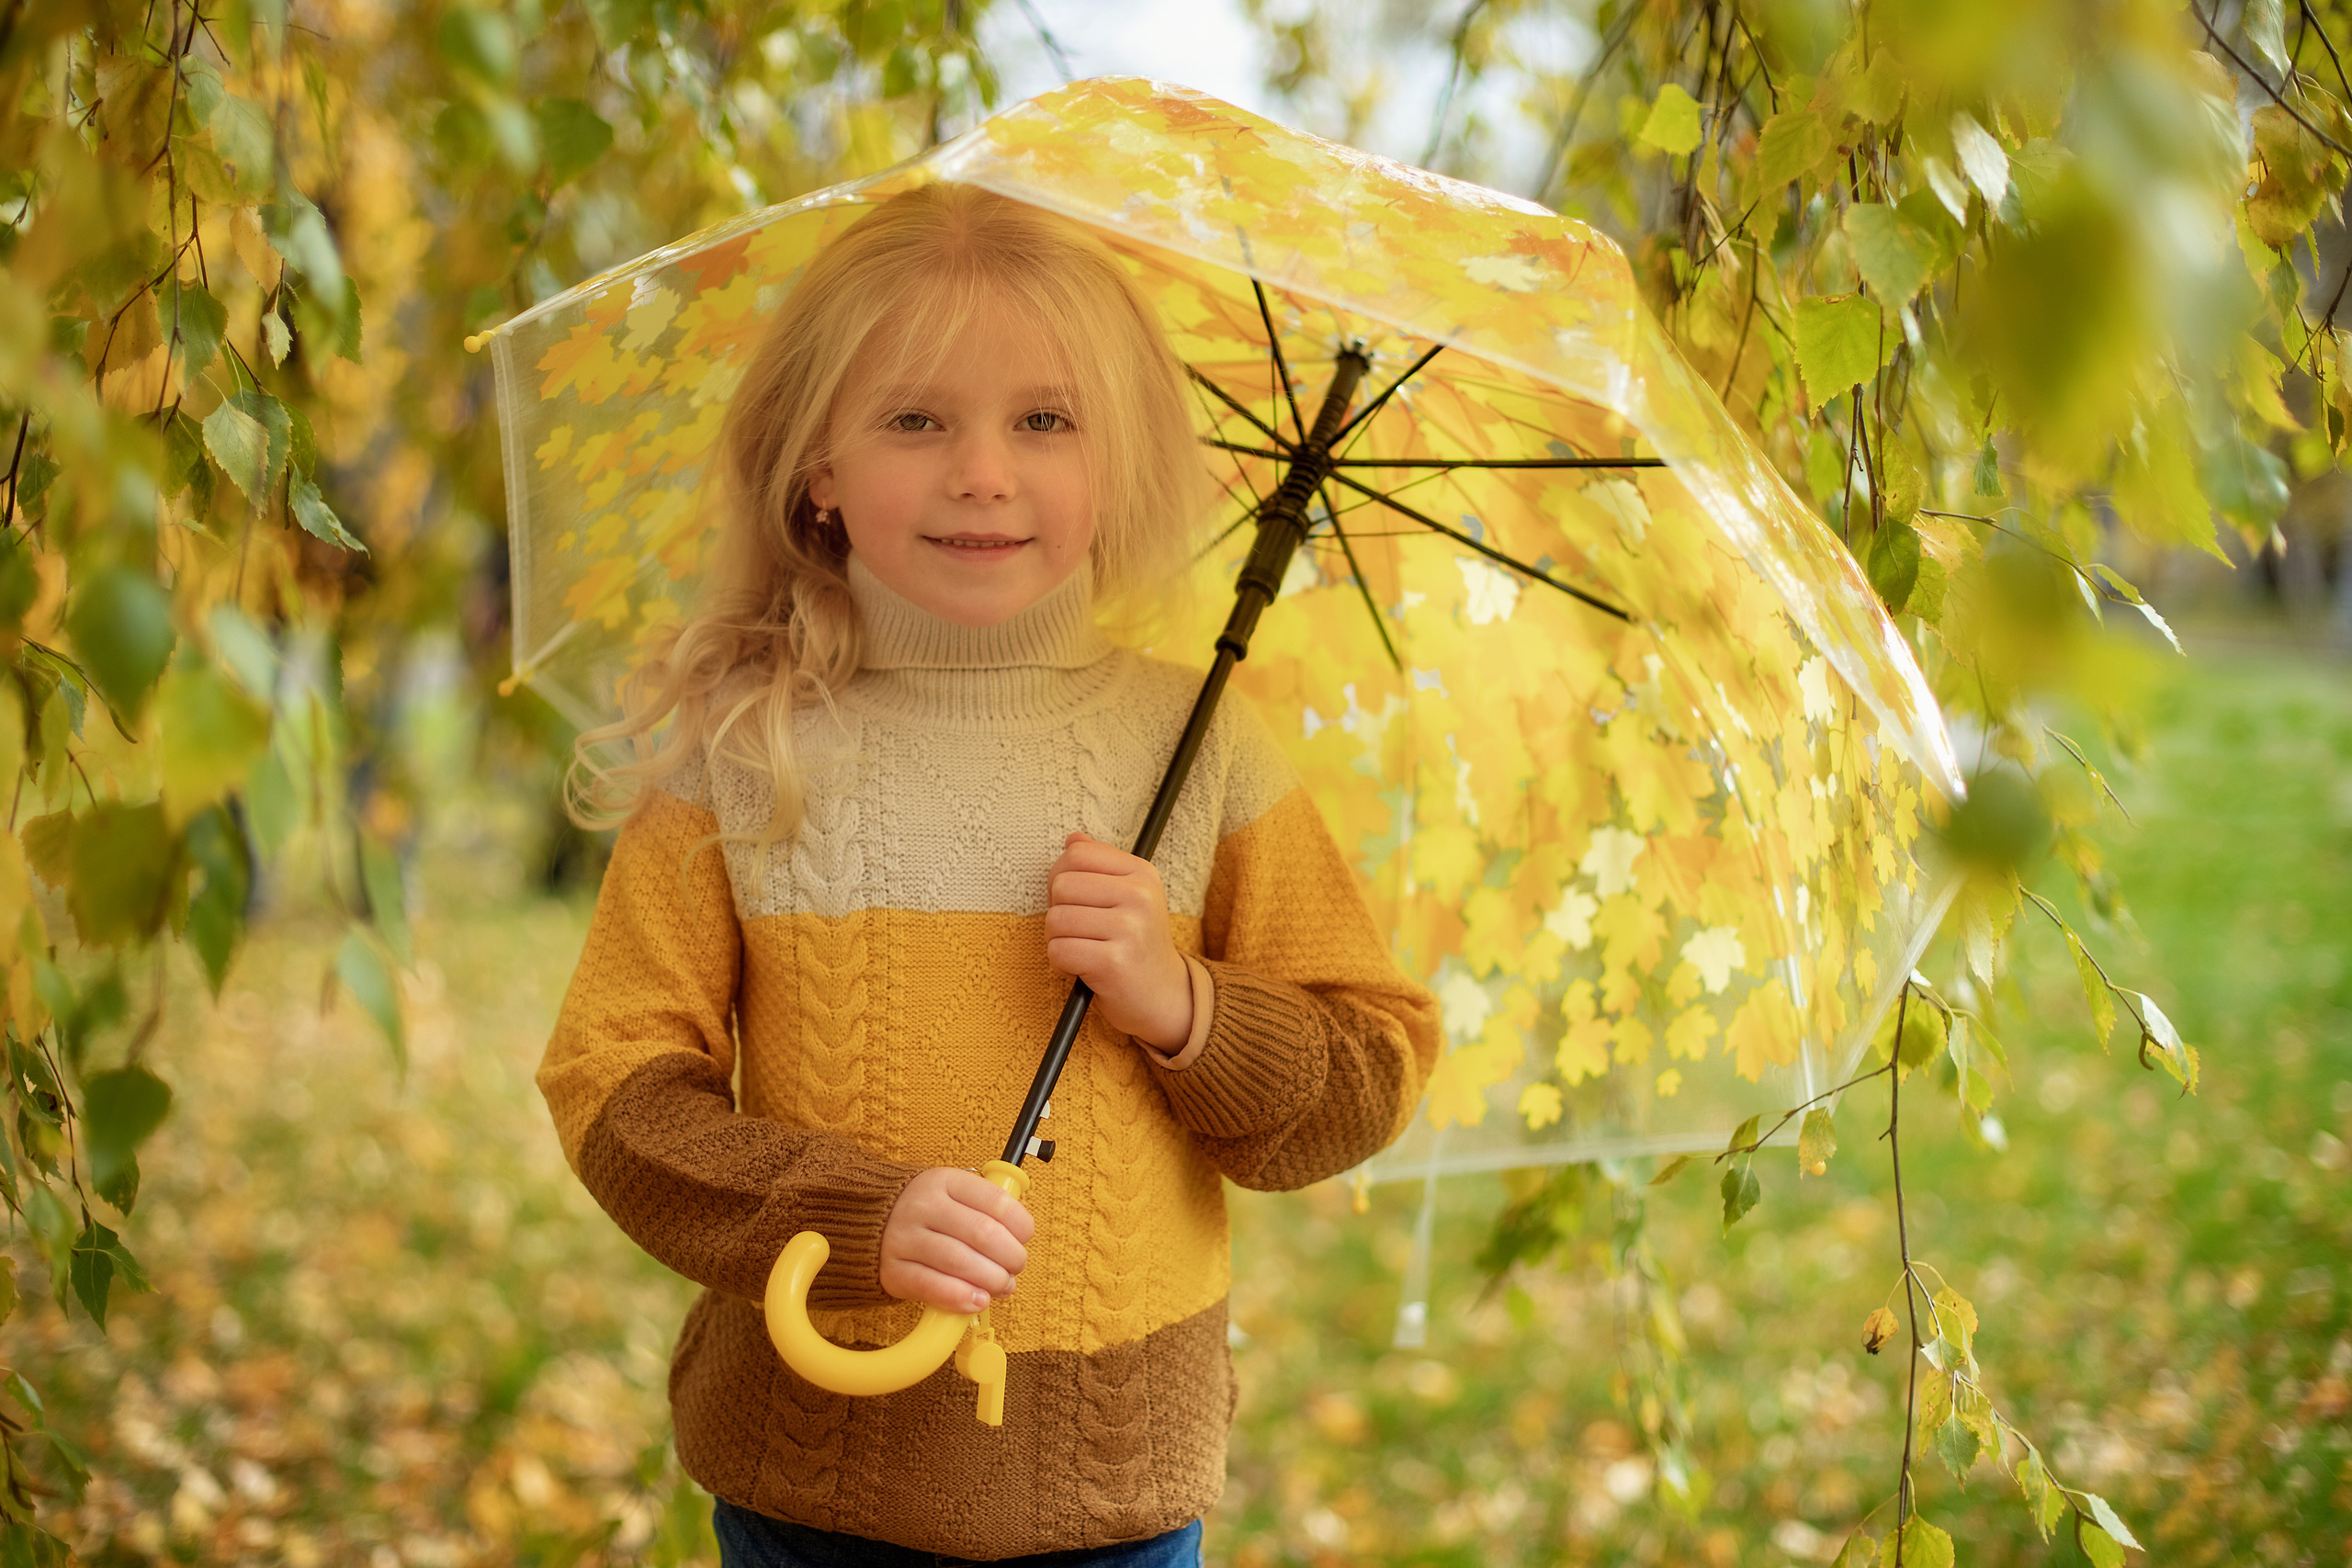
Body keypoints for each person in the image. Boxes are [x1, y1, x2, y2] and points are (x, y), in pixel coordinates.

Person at [537, 182, 1439, 1566]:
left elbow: (1369, 1062)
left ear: (1118, 463)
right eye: (915, 419)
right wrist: (850, 1219)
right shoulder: (743, 752)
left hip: (1114, 1502)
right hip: (810, 1484)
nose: (982, 471)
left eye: (1045, 419)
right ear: (816, 466)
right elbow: (612, 1085)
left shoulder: (1196, 753)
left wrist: (1184, 1003)